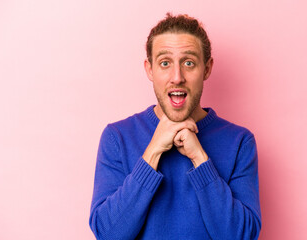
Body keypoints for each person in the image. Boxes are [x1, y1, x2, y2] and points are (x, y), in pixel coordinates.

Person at [89, 13, 261, 240]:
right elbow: (108, 234)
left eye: (189, 63)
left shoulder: (240, 142)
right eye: (165, 63)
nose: (177, 77)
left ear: (207, 69)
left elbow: (242, 236)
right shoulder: (117, 137)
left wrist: (200, 159)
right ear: (150, 70)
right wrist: (152, 153)